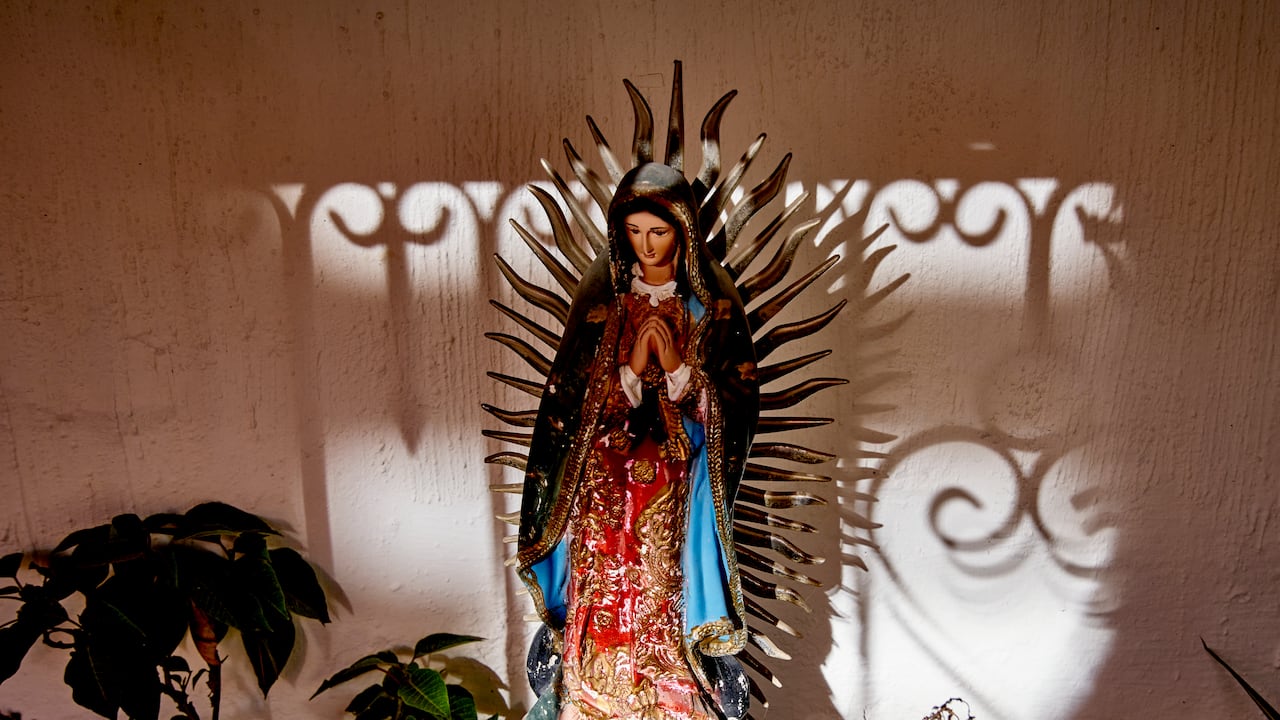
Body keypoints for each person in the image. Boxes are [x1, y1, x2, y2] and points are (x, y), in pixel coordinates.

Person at [516, 163, 759, 719]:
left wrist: (675, 367)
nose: (646, 245)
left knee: (655, 586)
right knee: (602, 584)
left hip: (672, 483)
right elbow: (572, 405)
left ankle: (666, 700)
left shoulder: (708, 311)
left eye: (659, 231)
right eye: (635, 232)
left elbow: (733, 405)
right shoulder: (604, 311)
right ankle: (591, 698)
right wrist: (630, 368)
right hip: (602, 479)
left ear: (684, 233)